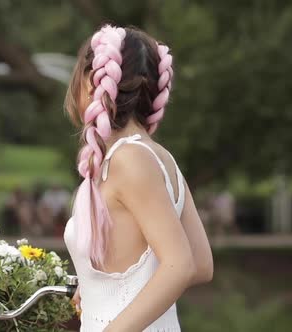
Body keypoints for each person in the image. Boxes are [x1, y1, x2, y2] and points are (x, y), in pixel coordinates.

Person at [63, 25, 213, 331]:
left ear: (94, 82)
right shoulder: (159, 158)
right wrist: (97, 287)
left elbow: (181, 265)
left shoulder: (128, 161)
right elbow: (201, 264)